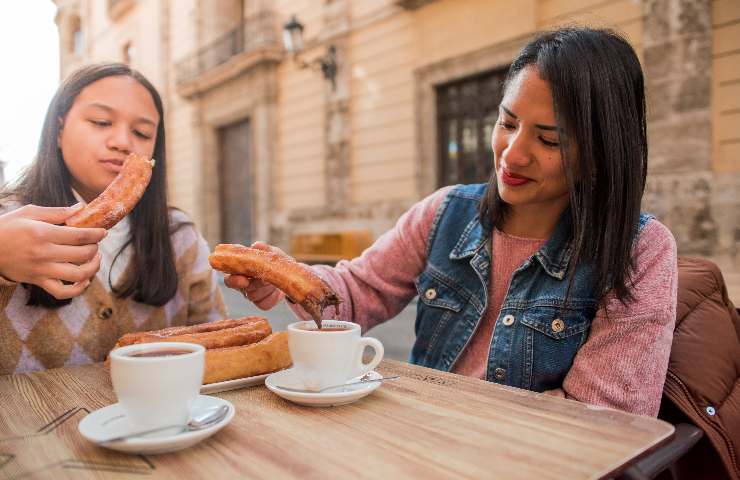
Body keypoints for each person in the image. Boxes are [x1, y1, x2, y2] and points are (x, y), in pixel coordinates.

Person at [227, 27, 679, 417]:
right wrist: (290, 278)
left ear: (600, 152)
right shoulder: (445, 212)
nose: (513, 153)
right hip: (421, 445)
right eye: (507, 122)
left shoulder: (641, 250)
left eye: (548, 139)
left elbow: (601, 419)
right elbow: (355, 293)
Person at [0, 63, 225, 375]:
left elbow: (218, 340)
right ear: (59, 129)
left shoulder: (178, 237)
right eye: (101, 122)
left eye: (142, 132)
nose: (122, 141)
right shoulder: (7, 223)